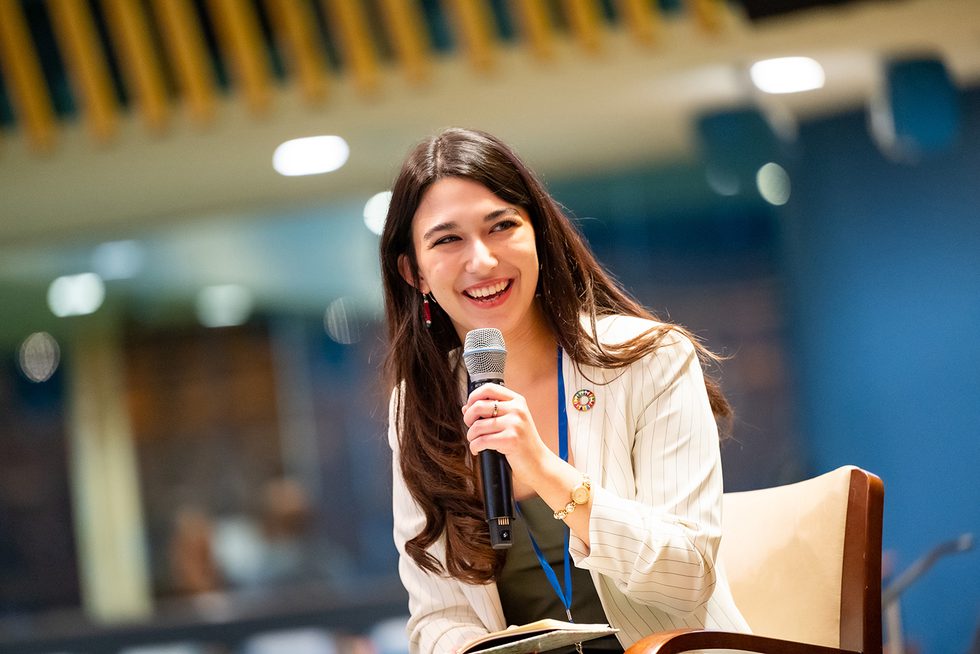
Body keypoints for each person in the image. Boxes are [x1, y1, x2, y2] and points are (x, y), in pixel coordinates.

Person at [380, 128, 750, 654]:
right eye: (447, 239)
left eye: (501, 226)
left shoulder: (650, 359)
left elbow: (688, 576)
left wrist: (545, 470)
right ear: (414, 272)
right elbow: (439, 614)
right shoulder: (417, 409)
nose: (482, 260)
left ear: (538, 235)